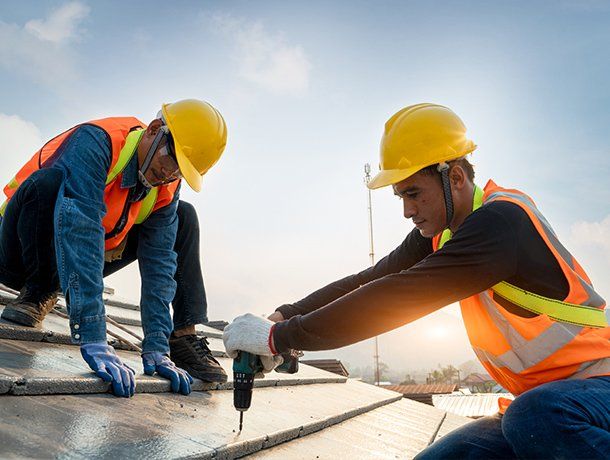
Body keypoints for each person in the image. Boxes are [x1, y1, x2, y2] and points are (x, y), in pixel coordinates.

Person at [223, 103, 610, 458]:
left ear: (455, 177)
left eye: (413, 193)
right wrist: (281, 317)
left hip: (594, 390)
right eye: (400, 197)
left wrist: (280, 339)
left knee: (535, 419)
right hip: (546, 402)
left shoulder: (501, 222)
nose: (407, 210)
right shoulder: (441, 232)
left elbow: (398, 297)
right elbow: (369, 280)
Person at [0, 99, 228, 397]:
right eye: (172, 161)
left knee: (184, 216)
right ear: (155, 131)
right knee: (49, 182)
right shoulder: (97, 141)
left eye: (181, 172)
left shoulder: (168, 185)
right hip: (19, 251)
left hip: (75, 263)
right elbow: (80, 228)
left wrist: (157, 343)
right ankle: (38, 292)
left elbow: (160, 262)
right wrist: (92, 334)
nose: (170, 175)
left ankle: (182, 336)